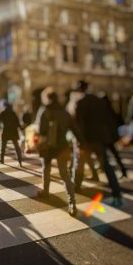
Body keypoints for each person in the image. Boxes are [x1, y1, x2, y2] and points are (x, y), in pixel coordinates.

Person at [73, 80, 122, 206]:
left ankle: (76, 187)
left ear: (79, 90)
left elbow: (79, 124)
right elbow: (108, 119)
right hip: (101, 138)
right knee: (106, 165)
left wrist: (80, 141)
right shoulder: (100, 101)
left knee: (80, 164)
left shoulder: (80, 102)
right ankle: (116, 191)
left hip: (87, 140)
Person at [36, 87, 82, 216]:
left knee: (46, 169)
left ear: (46, 98)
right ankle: (72, 203)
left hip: (48, 146)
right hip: (62, 146)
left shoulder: (44, 110)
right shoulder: (65, 112)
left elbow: (40, 129)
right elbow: (74, 128)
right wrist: (81, 142)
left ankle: (45, 191)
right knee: (65, 175)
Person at [100, 93, 128, 178]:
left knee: (105, 156)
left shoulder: (103, 110)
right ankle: (123, 170)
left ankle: (111, 172)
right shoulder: (111, 109)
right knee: (114, 154)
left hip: (105, 136)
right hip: (111, 136)